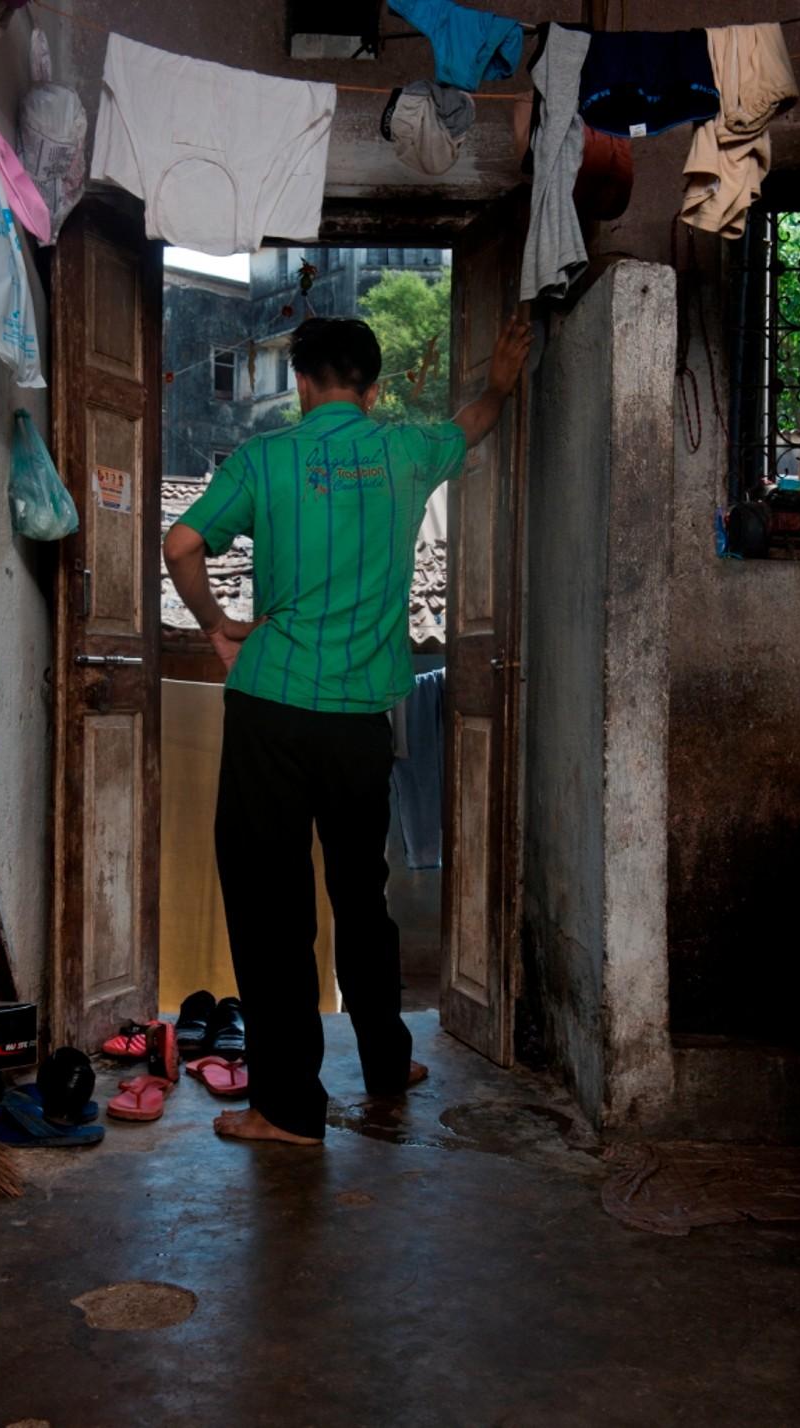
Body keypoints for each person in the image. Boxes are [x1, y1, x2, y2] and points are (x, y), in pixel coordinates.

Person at [164, 312, 532, 1146]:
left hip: (272, 711)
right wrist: (502, 383)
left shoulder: (264, 458)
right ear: (372, 389)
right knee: (361, 898)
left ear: (300, 385)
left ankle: (288, 1110)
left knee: (274, 909)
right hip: (363, 720)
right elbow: (472, 423)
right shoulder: (405, 452)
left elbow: (180, 542)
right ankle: (384, 1061)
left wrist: (218, 624)